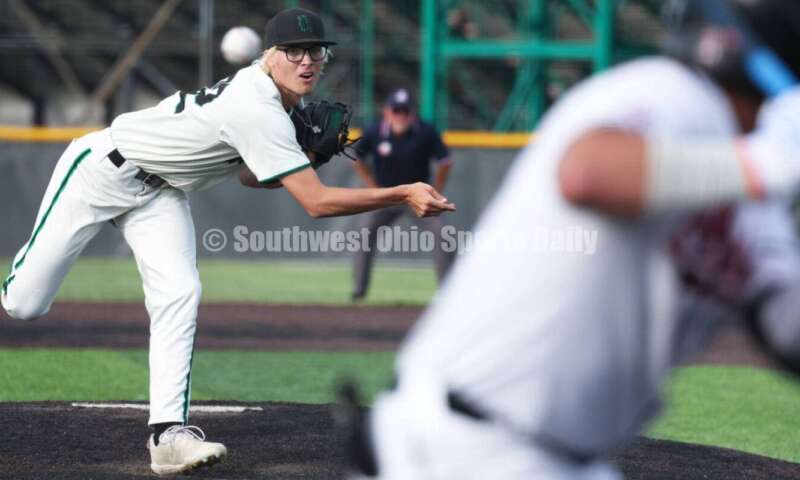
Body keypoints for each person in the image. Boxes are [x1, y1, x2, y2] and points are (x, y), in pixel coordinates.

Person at [343, 1, 800, 478]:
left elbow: (785, 323)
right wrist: (770, 163)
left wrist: (767, 169)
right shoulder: (677, 95)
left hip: (562, 458)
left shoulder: (757, 201)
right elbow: (585, 172)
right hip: (460, 445)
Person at [0, 7, 454, 476]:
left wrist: (306, 158)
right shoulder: (257, 106)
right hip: (101, 169)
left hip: (162, 194)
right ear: (270, 56)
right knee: (23, 304)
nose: (306, 61)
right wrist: (402, 191)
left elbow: (250, 177)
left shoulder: (280, 104)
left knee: (180, 292)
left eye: (315, 51)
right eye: (293, 51)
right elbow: (316, 204)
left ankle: (167, 436)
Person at [350, 89, 455, 301]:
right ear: (387, 111)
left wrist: (437, 190)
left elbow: (445, 161)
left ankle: (449, 294)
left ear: (412, 113)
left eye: (405, 111)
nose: (401, 116)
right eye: (396, 110)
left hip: (417, 197)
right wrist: (372, 186)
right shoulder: (375, 130)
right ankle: (359, 291)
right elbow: (356, 157)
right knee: (364, 235)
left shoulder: (425, 131)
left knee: (443, 235)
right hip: (386, 196)